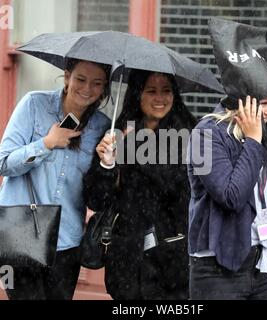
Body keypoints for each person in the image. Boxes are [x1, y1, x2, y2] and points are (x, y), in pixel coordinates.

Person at [0, 58, 111, 300]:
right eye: (80, 79)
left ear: (104, 88)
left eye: (97, 83)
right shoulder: (34, 104)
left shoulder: (103, 126)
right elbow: (4, 164)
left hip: (66, 244)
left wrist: (106, 164)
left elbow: (96, 198)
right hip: (17, 235)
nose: (87, 89)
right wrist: (46, 144)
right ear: (67, 77)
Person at [83, 69, 196, 300]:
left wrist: (137, 151)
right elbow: (96, 200)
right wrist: (107, 165)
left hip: (172, 258)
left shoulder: (189, 135)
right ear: (137, 94)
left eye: (167, 91)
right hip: (126, 258)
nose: (160, 98)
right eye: (151, 91)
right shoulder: (116, 132)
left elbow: (182, 193)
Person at [187, 94, 267, 300]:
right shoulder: (205, 133)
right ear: (242, 99)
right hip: (219, 267)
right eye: (264, 103)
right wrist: (252, 141)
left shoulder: (266, 134)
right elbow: (232, 197)